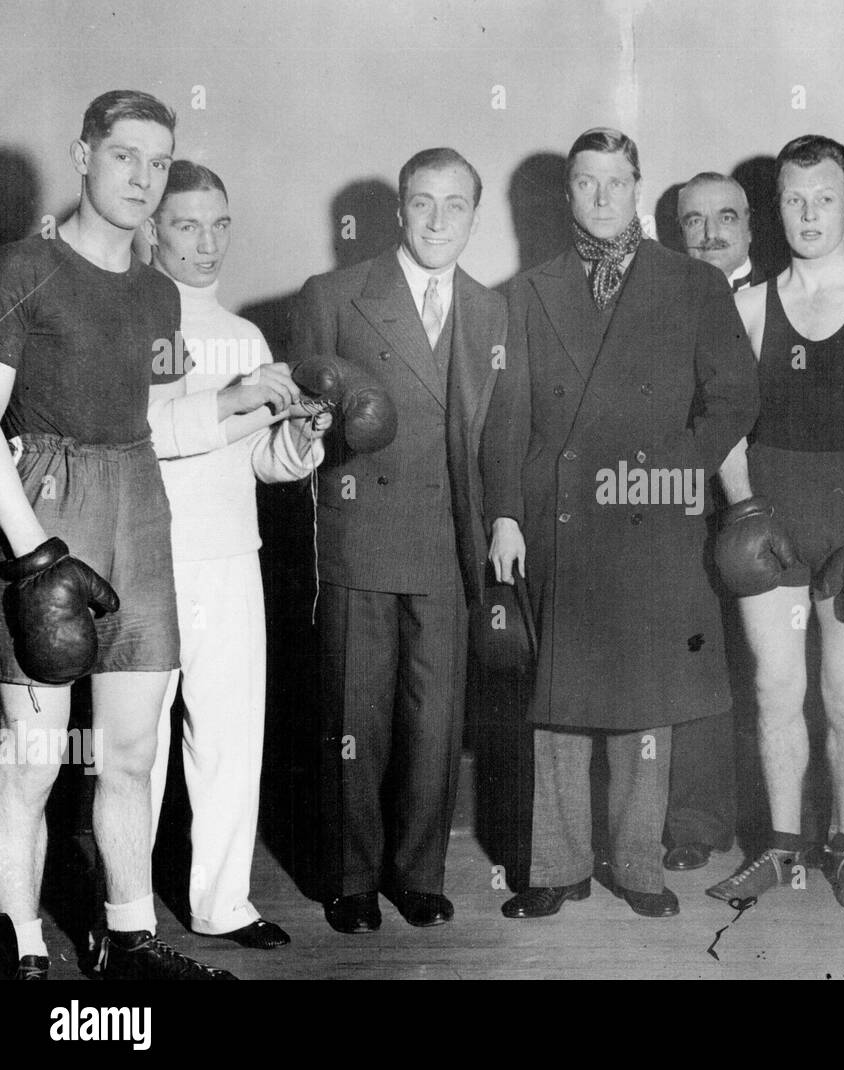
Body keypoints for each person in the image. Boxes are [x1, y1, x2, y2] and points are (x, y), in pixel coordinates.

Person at [484, 127, 758, 919]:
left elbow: (736, 397)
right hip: (558, 514)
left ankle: (639, 863)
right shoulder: (527, 292)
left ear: (638, 188)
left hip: (652, 512)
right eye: (585, 183)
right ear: (566, 193)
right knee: (558, 699)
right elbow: (508, 420)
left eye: (616, 182)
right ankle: (558, 865)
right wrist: (506, 515)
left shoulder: (693, 285)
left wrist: (675, 470)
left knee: (648, 697)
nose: (602, 197)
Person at [0, 90, 234, 979]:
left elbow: (164, 421)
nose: (144, 176)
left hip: (138, 505)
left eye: (160, 160)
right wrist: (35, 555)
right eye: (127, 155)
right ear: (83, 155)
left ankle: (131, 941)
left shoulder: (158, 297)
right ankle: (19, 941)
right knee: (30, 758)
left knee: (132, 752)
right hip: (47, 513)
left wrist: (267, 419)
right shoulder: (23, 269)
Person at [291, 147, 507, 933]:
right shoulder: (336, 296)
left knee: (434, 721)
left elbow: (500, 435)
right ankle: (350, 877)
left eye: (456, 204)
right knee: (356, 717)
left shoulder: (492, 309)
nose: (439, 219)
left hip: (451, 543)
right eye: (423, 203)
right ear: (399, 212)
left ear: (475, 215)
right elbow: (295, 420)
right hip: (363, 536)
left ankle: (418, 873)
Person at [706, 134, 844, 911]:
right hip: (771, 517)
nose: (807, 213)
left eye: (823, 198)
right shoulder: (749, 304)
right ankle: (782, 848)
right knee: (772, 688)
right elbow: (725, 421)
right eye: (793, 199)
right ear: (778, 207)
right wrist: (744, 507)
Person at [144, 160, 328, 950]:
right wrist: (236, 399)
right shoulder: (135, 319)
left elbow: (255, 461)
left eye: (220, 224)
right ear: (152, 228)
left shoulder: (244, 335)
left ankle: (224, 901)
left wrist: (298, 439)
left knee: (229, 734)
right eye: (188, 225)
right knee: (136, 748)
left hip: (230, 556)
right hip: (145, 558)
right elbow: (146, 436)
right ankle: (128, 915)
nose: (208, 242)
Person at [660, 171, 764, 874]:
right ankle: (693, 822)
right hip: (688, 513)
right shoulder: (660, 308)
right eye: (693, 221)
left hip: (774, 512)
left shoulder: (788, 303)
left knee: (781, 674)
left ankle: (784, 825)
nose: (709, 234)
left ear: (751, 227)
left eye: (725, 217)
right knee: (697, 664)